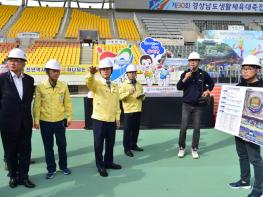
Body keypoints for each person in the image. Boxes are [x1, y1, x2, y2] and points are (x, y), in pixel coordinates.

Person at [0, 48, 35, 188]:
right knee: (10, 152)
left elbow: (26, 102)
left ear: (23, 63)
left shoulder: (29, 80)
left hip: (25, 123)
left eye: (16, 61)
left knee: (26, 151)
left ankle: (24, 176)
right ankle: (13, 176)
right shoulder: (1, 79)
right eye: (10, 60)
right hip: (7, 123)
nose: (12, 63)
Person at [229, 55, 263, 197]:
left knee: (255, 159)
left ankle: (259, 188)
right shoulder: (240, 86)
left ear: (257, 70)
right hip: (238, 127)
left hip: (254, 129)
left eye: (249, 68)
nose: (245, 71)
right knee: (242, 155)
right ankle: (245, 181)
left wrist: (251, 131)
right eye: (243, 68)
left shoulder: (261, 87)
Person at [33, 59, 72, 179]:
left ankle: (63, 166)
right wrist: (36, 120)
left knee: (62, 145)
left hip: (60, 121)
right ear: (48, 72)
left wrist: (69, 116)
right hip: (45, 122)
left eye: (58, 71)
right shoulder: (41, 87)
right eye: (53, 71)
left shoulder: (63, 86)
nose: (56, 73)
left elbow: (68, 103)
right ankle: (51, 169)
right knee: (48, 147)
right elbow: (37, 105)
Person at [86, 58, 122, 177]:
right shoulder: (96, 84)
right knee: (99, 144)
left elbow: (117, 104)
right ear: (100, 71)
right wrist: (91, 74)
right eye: (103, 69)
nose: (106, 71)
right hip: (99, 120)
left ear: (111, 70)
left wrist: (117, 118)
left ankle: (109, 162)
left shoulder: (115, 86)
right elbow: (89, 83)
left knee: (110, 143)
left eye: (108, 69)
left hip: (111, 120)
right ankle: (100, 165)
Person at [177, 52, 214, 159]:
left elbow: (211, 83)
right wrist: (185, 78)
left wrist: (207, 91)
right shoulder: (185, 73)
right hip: (186, 105)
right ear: (188, 62)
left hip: (198, 106)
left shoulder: (203, 74)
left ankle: (194, 148)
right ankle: (181, 148)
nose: (192, 62)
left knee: (197, 128)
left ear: (198, 62)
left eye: (195, 60)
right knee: (183, 128)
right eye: (191, 61)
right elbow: (179, 87)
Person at [119, 64, 145, 157]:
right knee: (127, 130)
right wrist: (127, 93)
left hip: (138, 110)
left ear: (136, 73)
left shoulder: (139, 84)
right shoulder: (123, 85)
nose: (132, 74)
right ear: (127, 74)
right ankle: (127, 148)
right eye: (130, 73)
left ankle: (134, 145)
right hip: (129, 111)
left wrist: (142, 96)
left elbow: (142, 95)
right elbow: (120, 97)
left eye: (133, 72)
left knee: (136, 129)